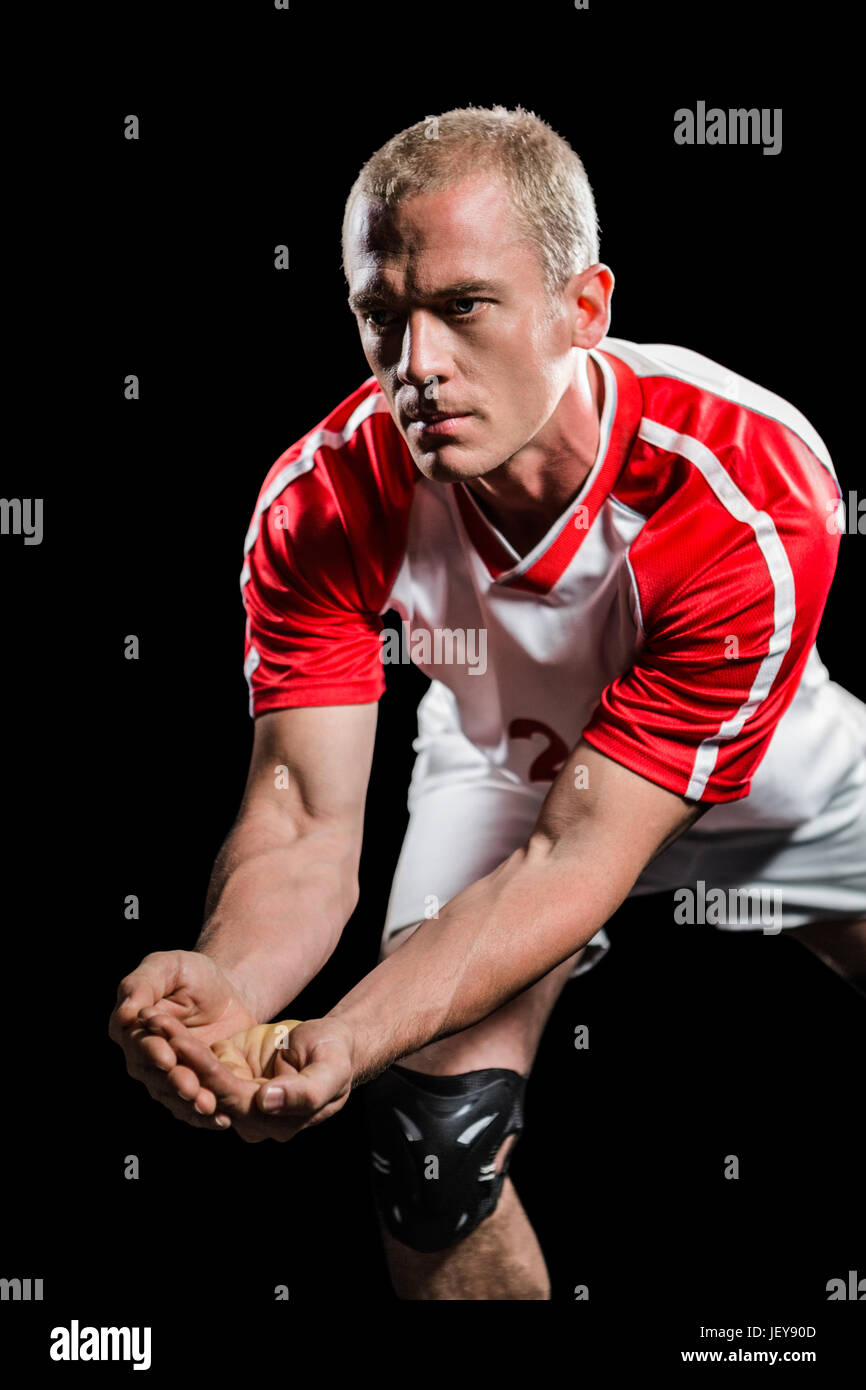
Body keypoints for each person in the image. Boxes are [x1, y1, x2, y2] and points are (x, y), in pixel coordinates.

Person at [109, 106, 866, 1300]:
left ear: (582, 308)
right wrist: (233, 985)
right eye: (379, 316)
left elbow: (590, 847)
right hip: (507, 777)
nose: (415, 365)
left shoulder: (741, 478)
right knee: (429, 1142)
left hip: (757, 767)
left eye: (461, 306)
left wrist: (350, 1033)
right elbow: (303, 824)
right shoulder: (321, 500)